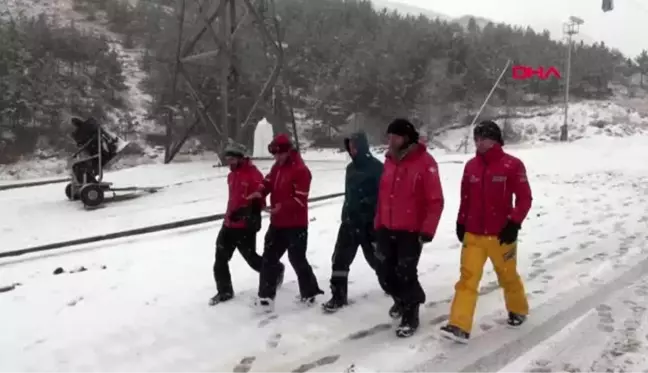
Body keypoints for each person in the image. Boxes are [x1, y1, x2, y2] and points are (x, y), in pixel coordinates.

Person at [440, 120, 533, 344]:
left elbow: (524, 198)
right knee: (467, 279)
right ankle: (459, 325)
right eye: (477, 138)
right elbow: (465, 199)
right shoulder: (471, 166)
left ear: (496, 140)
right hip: (474, 234)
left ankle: (518, 309)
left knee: (507, 276)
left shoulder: (512, 165)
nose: (480, 143)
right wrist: (461, 222)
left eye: (485, 138)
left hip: (501, 235)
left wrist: (514, 223)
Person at [374, 118, 444, 338]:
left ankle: (410, 313)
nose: (390, 140)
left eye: (395, 136)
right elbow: (382, 196)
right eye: (389, 136)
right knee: (384, 273)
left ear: (405, 138)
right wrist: (378, 223)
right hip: (387, 226)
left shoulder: (425, 163)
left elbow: (435, 200)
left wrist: (428, 229)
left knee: (405, 272)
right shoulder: (388, 161)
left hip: (412, 230)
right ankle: (404, 298)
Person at [247, 134, 323, 312]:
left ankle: (309, 293)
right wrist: (260, 193)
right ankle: (266, 298)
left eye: (280, 154)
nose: (277, 158)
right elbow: (267, 182)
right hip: (278, 223)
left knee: (297, 258)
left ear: (289, 151)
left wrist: (282, 206)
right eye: (274, 155)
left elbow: (300, 200)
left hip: (296, 224)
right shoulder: (277, 167)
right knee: (269, 258)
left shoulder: (301, 170)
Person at [209, 143, 285, 305]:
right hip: (228, 224)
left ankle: (275, 270)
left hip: (245, 226)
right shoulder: (232, 175)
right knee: (220, 258)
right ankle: (225, 291)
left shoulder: (253, 175)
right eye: (227, 159)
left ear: (240, 158)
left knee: (252, 259)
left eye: (232, 159)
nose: (229, 162)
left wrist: (244, 212)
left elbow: (260, 201)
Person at [322, 131, 388, 313]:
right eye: (349, 145)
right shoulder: (350, 169)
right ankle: (338, 296)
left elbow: (382, 196)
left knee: (377, 261)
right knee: (340, 260)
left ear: (362, 146)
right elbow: (348, 196)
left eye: (354, 145)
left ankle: (393, 288)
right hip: (350, 223)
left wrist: (368, 205)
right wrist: (346, 215)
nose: (351, 149)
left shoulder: (377, 168)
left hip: (370, 224)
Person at [70, 117, 118, 184]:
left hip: (98, 152)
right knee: (77, 166)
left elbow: (101, 132)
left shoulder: (88, 129)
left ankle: (89, 182)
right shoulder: (83, 132)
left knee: (80, 166)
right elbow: (81, 144)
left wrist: (111, 139)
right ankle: (87, 182)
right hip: (94, 152)